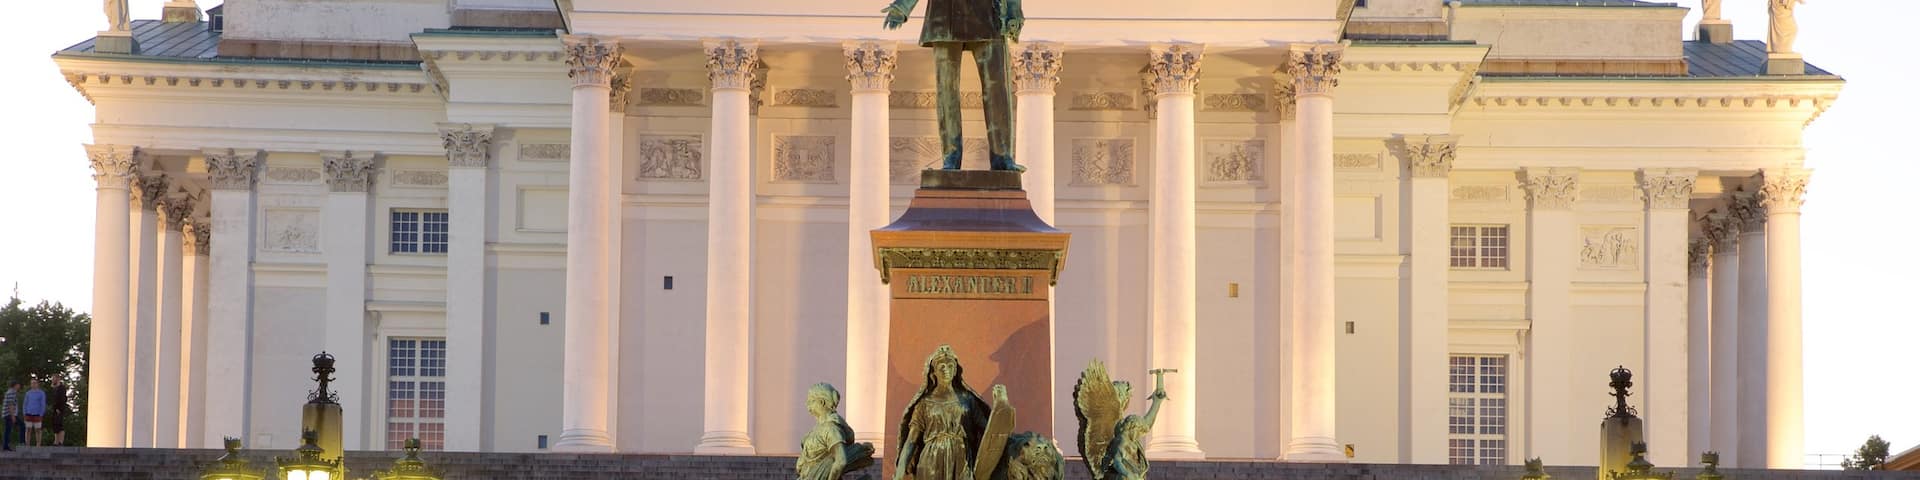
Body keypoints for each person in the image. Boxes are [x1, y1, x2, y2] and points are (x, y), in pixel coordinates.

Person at [881, 0, 1026, 172]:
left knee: (997, 90)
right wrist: (903, 6)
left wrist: (1013, 10)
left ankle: (1002, 158)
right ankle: (951, 158)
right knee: (947, 90)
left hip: (989, 14)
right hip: (944, 16)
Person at [895, 345, 992, 480]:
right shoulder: (925, 403)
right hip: (931, 460)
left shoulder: (967, 400)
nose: (946, 369)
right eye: (941, 366)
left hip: (961, 458)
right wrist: (899, 472)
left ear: (955, 371)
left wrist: (1001, 406)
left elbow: (988, 429)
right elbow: (911, 440)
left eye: (950, 365)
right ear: (933, 372)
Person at [22, 379, 45, 447]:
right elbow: (25, 404)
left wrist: (41, 414)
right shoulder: (28, 393)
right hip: (28, 413)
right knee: (28, 429)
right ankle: (27, 444)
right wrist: (24, 413)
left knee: (37, 430)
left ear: (37, 384)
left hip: (37, 414)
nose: (33, 384)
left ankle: (38, 444)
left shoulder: (41, 393)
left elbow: (43, 404)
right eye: (32, 383)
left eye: (35, 383)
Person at [47, 378, 67, 446]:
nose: (52, 380)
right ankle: (56, 441)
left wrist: (59, 408)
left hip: (59, 409)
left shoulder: (61, 388)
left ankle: (60, 441)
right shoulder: (55, 388)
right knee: (55, 425)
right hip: (55, 409)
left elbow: (62, 399)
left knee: (59, 424)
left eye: (53, 379)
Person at [2, 382, 19, 451]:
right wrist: (13, 416)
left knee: (7, 430)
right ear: (15, 385)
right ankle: (6, 445)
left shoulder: (9, 392)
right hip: (9, 414)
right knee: (8, 430)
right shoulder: (12, 392)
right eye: (18, 385)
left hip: (7, 413)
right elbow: (11, 405)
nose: (19, 386)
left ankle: (6, 445)